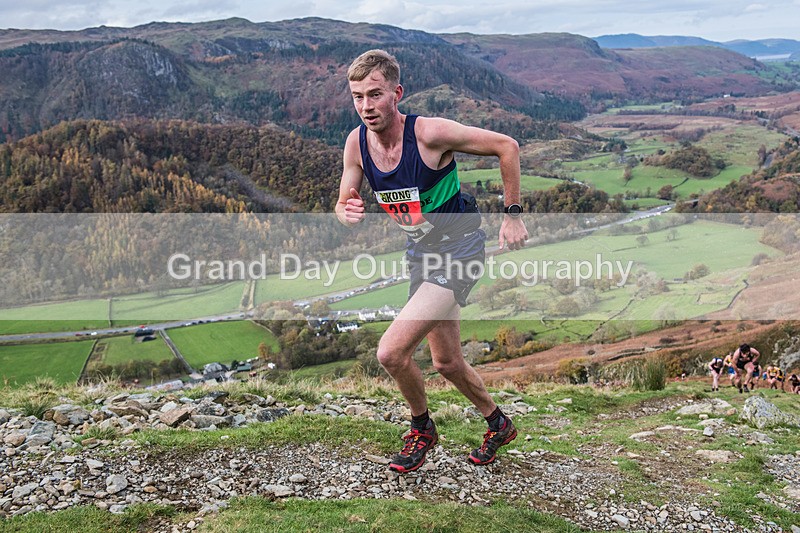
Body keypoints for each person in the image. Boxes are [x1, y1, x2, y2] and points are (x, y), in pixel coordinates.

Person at [336, 49, 528, 472]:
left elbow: (507, 147)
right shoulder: (356, 143)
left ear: (396, 93)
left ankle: (422, 428)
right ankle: (499, 424)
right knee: (445, 362)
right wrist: (345, 209)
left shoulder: (429, 135)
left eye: (375, 94)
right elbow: (345, 196)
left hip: (460, 251)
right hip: (421, 255)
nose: (366, 107)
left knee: (390, 352)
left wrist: (512, 216)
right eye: (357, 97)